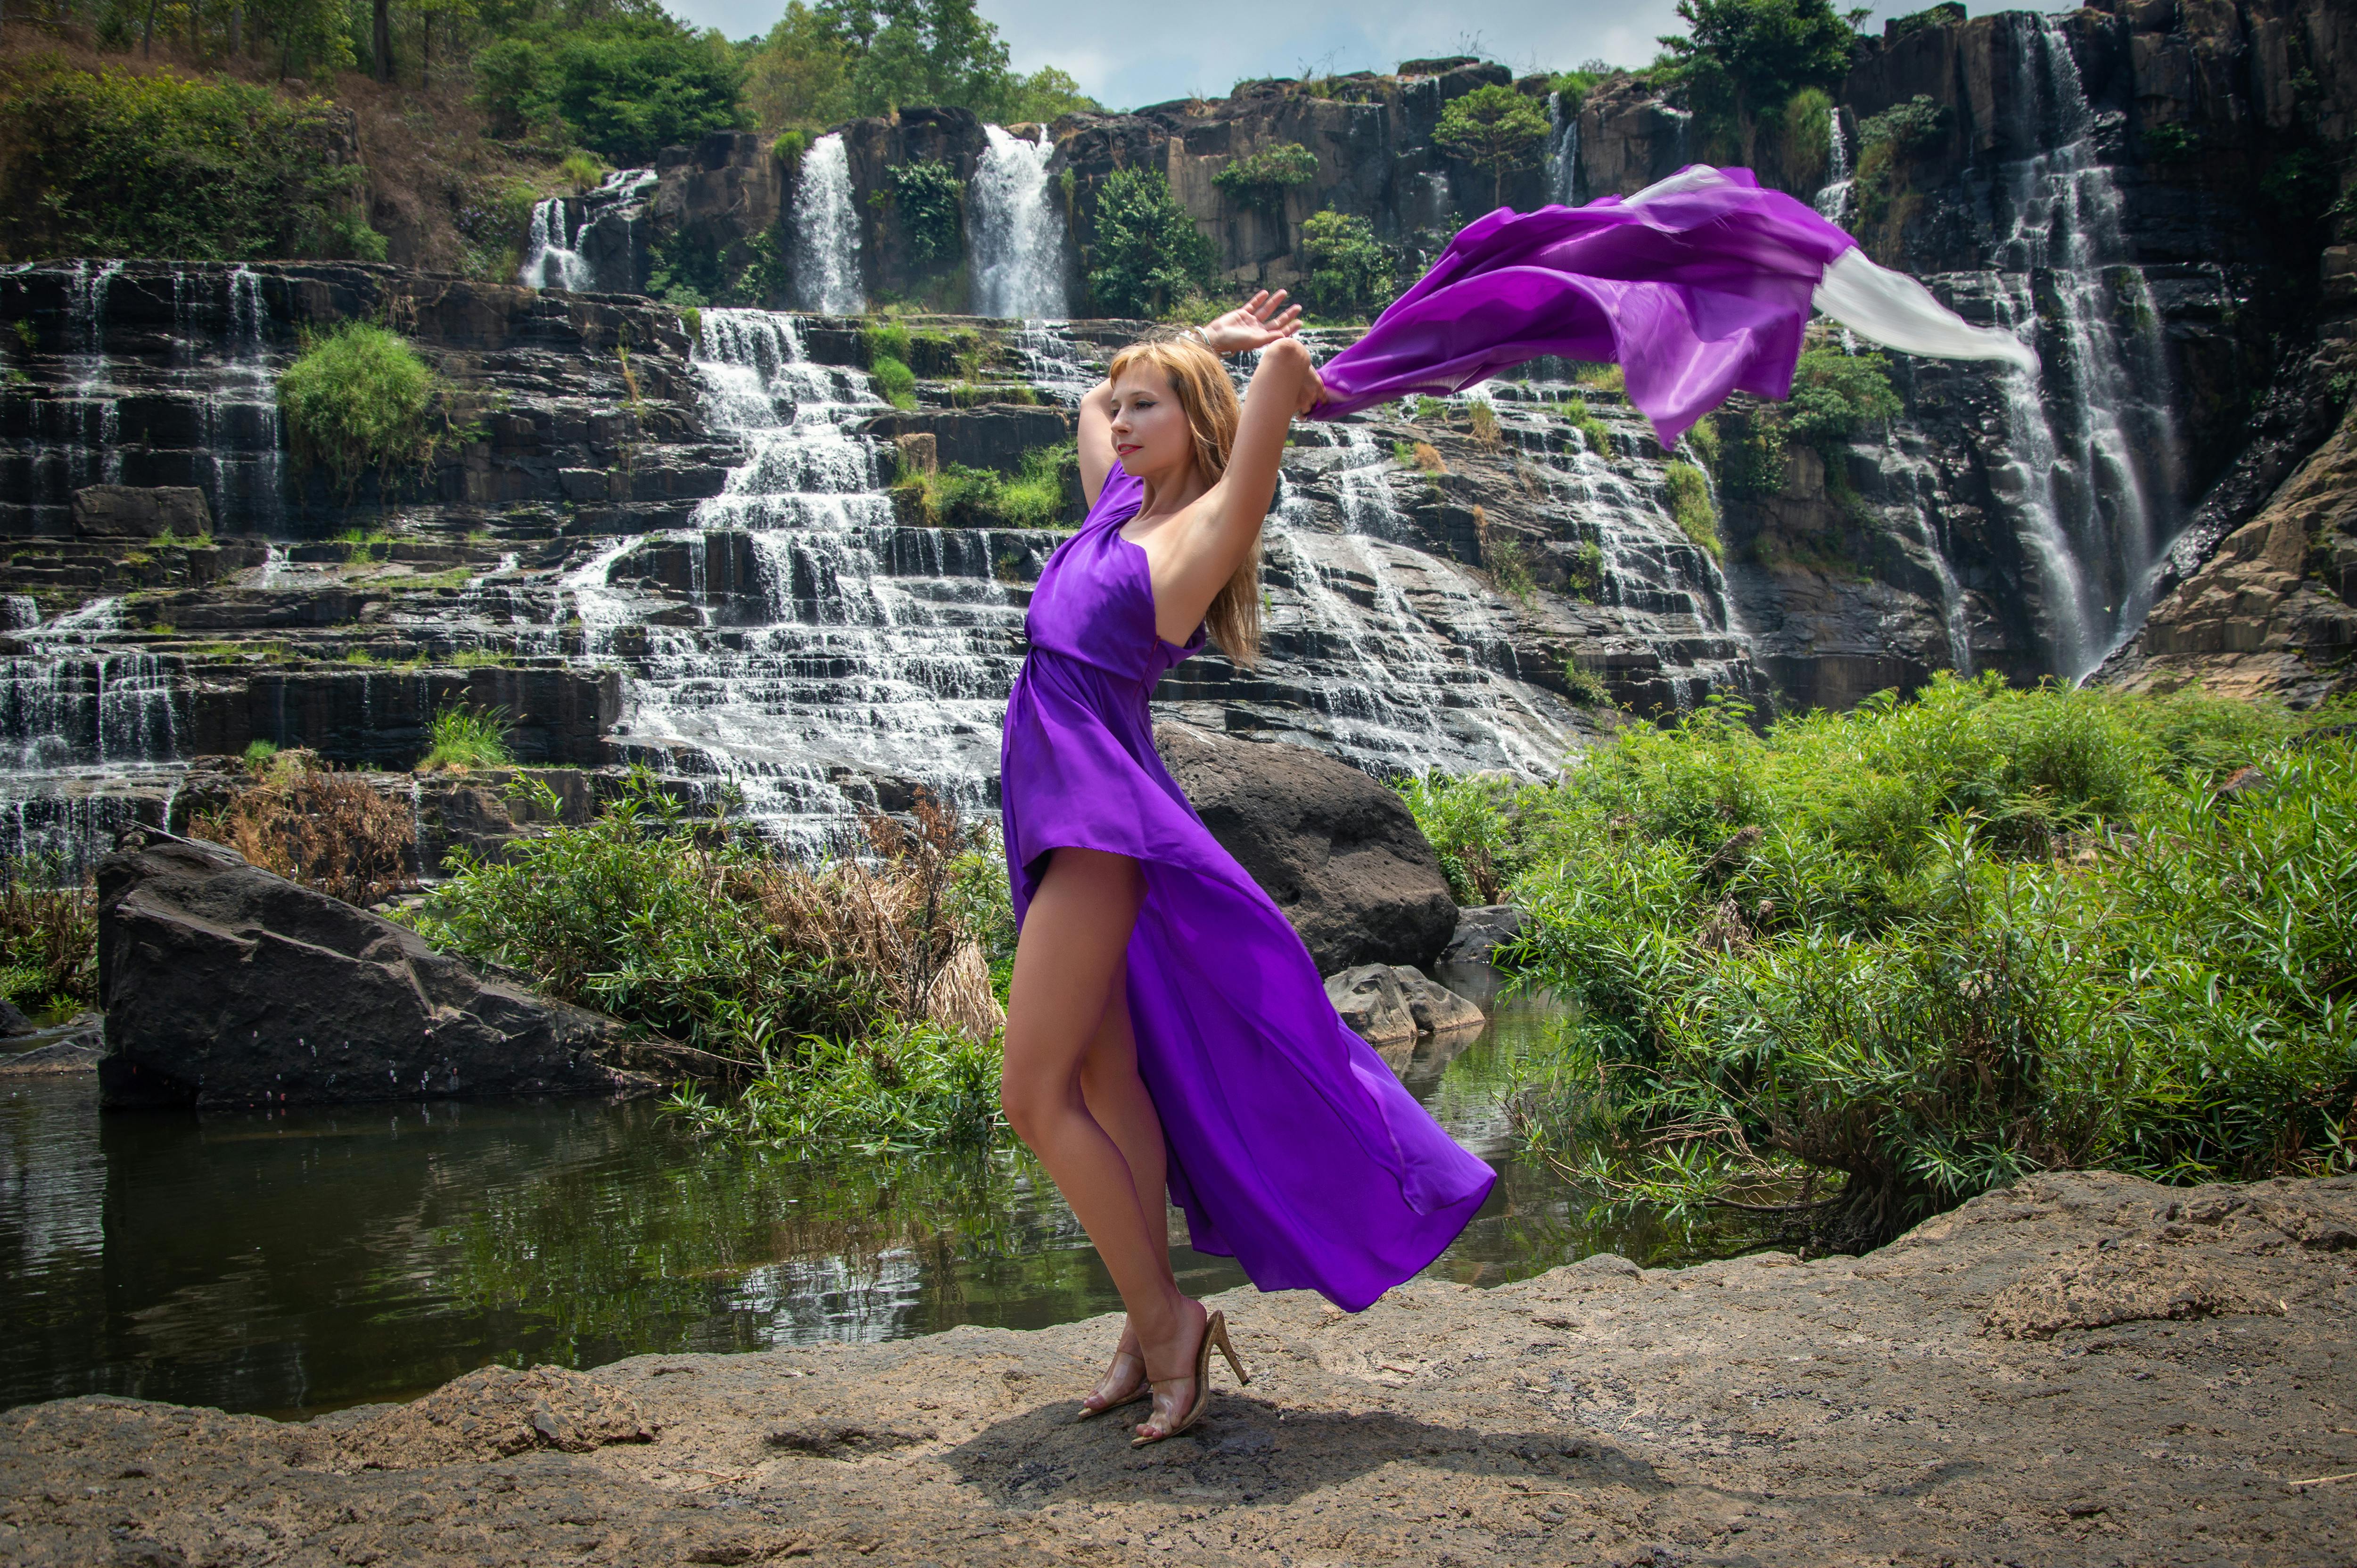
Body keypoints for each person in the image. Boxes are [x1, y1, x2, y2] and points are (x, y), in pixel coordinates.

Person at [995, 290, 1499, 1448]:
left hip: (1099, 827)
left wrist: (1250, 367)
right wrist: (1190, 341)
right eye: (1116, 405)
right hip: (1059, 813)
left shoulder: (1205, 527)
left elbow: (1281, 384)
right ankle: (1144, 1313)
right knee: (1111, 1088)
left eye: (1144, 406)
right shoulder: (1114, 508)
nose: (1116, 420)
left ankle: (1170, 1320)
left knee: (1035, 1092)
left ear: (1197, 419)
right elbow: (1088, 394)